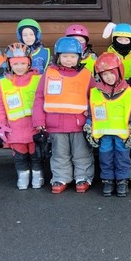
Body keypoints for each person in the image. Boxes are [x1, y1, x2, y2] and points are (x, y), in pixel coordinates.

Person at [32, 36, 95, 194]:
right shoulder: (49, 73)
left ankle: (83, 177)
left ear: (79, 57)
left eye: (73, 56)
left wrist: (91, 114)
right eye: (65, 56)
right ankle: (61, 177)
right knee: (59, 154)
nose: (69, 60)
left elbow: (95, 97)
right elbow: (39, 97)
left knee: (82, 153)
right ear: (58, 57)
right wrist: (39, 120)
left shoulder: (86, 74)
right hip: (55, 124)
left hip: (79, 123)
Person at [84, 52, 131, 197]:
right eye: (104, 74)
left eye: (111, 73)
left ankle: (122, 181)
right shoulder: (95, 93)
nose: (108, 77)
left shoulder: (129, 93)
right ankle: (108, 180)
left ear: (119, 71)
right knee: (105, 158)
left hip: (122, 135)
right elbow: (91, 113)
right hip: (104, 135)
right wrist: (89, 126)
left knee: (122, 158)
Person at [0, 43, 43, 189]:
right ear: (9, 64)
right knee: (20, 156)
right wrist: (0, 125)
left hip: (34, 127)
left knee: (36, 155)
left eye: (23, 63)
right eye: (15, 64)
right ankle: (23, 176)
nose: (19, 67)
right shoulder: (4, 84)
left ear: (29, 63)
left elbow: (45, 101)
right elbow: (0, 106)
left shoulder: (38, 80)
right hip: (14, 129)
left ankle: (38, 176)